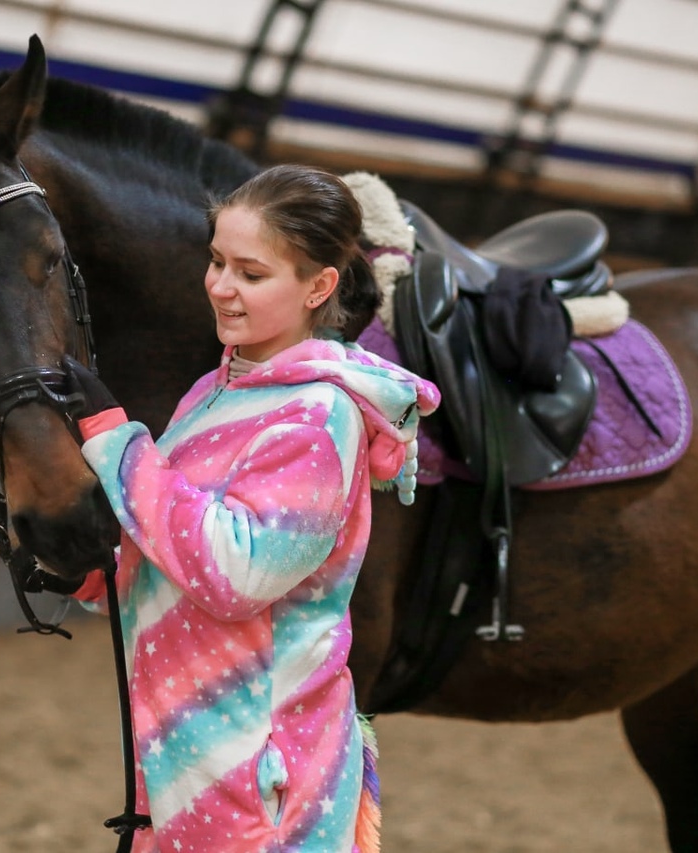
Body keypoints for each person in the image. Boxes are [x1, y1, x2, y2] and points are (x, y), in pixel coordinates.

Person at [64, 164, 440, 852]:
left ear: (319, 286)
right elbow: (175, 542)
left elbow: (234, 572)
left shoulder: (317, 418)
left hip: (263, 771)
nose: (221, 286)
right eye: (215, 261)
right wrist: (102, 572)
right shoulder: (214, 388)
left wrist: (119, 444)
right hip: (188, 751)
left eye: (251, 272)